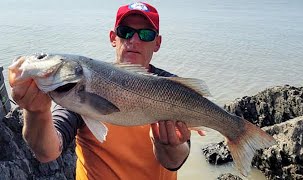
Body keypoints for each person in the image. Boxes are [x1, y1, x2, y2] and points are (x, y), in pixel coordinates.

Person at [10, 2, 204, 180]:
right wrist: (37, 112)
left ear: (158, 43)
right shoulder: (78, 88)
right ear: (113, 38)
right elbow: (47, 152)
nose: (134, 40)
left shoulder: (173, 89)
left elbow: (174, 162)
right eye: (125, 32)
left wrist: (168, 147)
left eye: (146, 34)